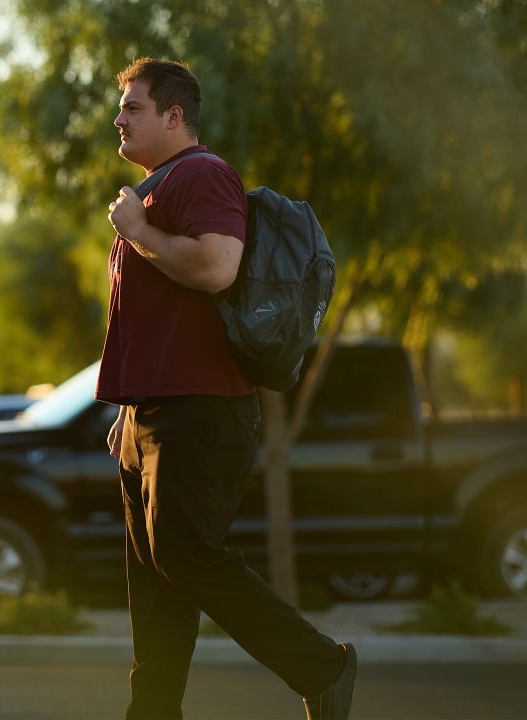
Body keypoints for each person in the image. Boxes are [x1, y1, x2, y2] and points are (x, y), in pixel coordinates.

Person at [97, 57, 358, 720]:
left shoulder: (203, 175)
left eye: (133, 107)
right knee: (155, 582)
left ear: (174, 115)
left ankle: (322, 666)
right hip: (151, 418)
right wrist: (130, 414)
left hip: (203, 410)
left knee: (186, 556)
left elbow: (216, 267)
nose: (119, 118)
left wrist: (139, 231)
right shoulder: (159, 189)